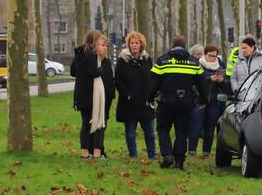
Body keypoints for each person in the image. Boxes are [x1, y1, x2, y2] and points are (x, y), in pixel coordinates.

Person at [148, 35, 209, 170]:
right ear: (185, 45)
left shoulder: (162, 61)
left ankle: (167, 155)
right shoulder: (194, 62)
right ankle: (179, 161)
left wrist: (149, 98)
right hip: (186, 103)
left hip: (166, 103)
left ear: (172, 44)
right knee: (182, 132)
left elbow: (152, 82)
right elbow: (203, 83)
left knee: (163, 129)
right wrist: (204, 99)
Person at [71, 29, 115, 160]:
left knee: (86, 123)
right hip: (92, 97)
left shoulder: (80, 56)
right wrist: (99, 66)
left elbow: (73, 72)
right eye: (102, 44)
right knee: (97, 123)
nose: (105, 47)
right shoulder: (93, 58)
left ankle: (86, 152)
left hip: (83, 97)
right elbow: (94, 72)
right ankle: (96, 152)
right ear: (94, 44)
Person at [115, 31, 157, 161]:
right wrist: (127, 95)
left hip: (145, 102)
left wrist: (150, 96)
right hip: (129, 103)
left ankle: (152, 155)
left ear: (141, 45)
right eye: (132, 43)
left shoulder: (147, 60)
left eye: (136, 43)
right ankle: (133, 155)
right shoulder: (123, 60)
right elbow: (118, 80)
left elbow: (152, 79)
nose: (134, 45)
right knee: (130, 132)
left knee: (150, 132)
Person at [189, 43, 231, 158]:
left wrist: (222, 81)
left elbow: (227, 87)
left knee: (210, 128)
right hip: (200, 102)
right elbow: (193, 84)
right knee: (196, 127)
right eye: (210, 55)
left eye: (215, 56)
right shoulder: (198, 65)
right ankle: (192, 151)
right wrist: (209, 79)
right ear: (204, 54)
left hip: (214, 102)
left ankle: (206, 152)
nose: (212, 58)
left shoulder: (221, 65)